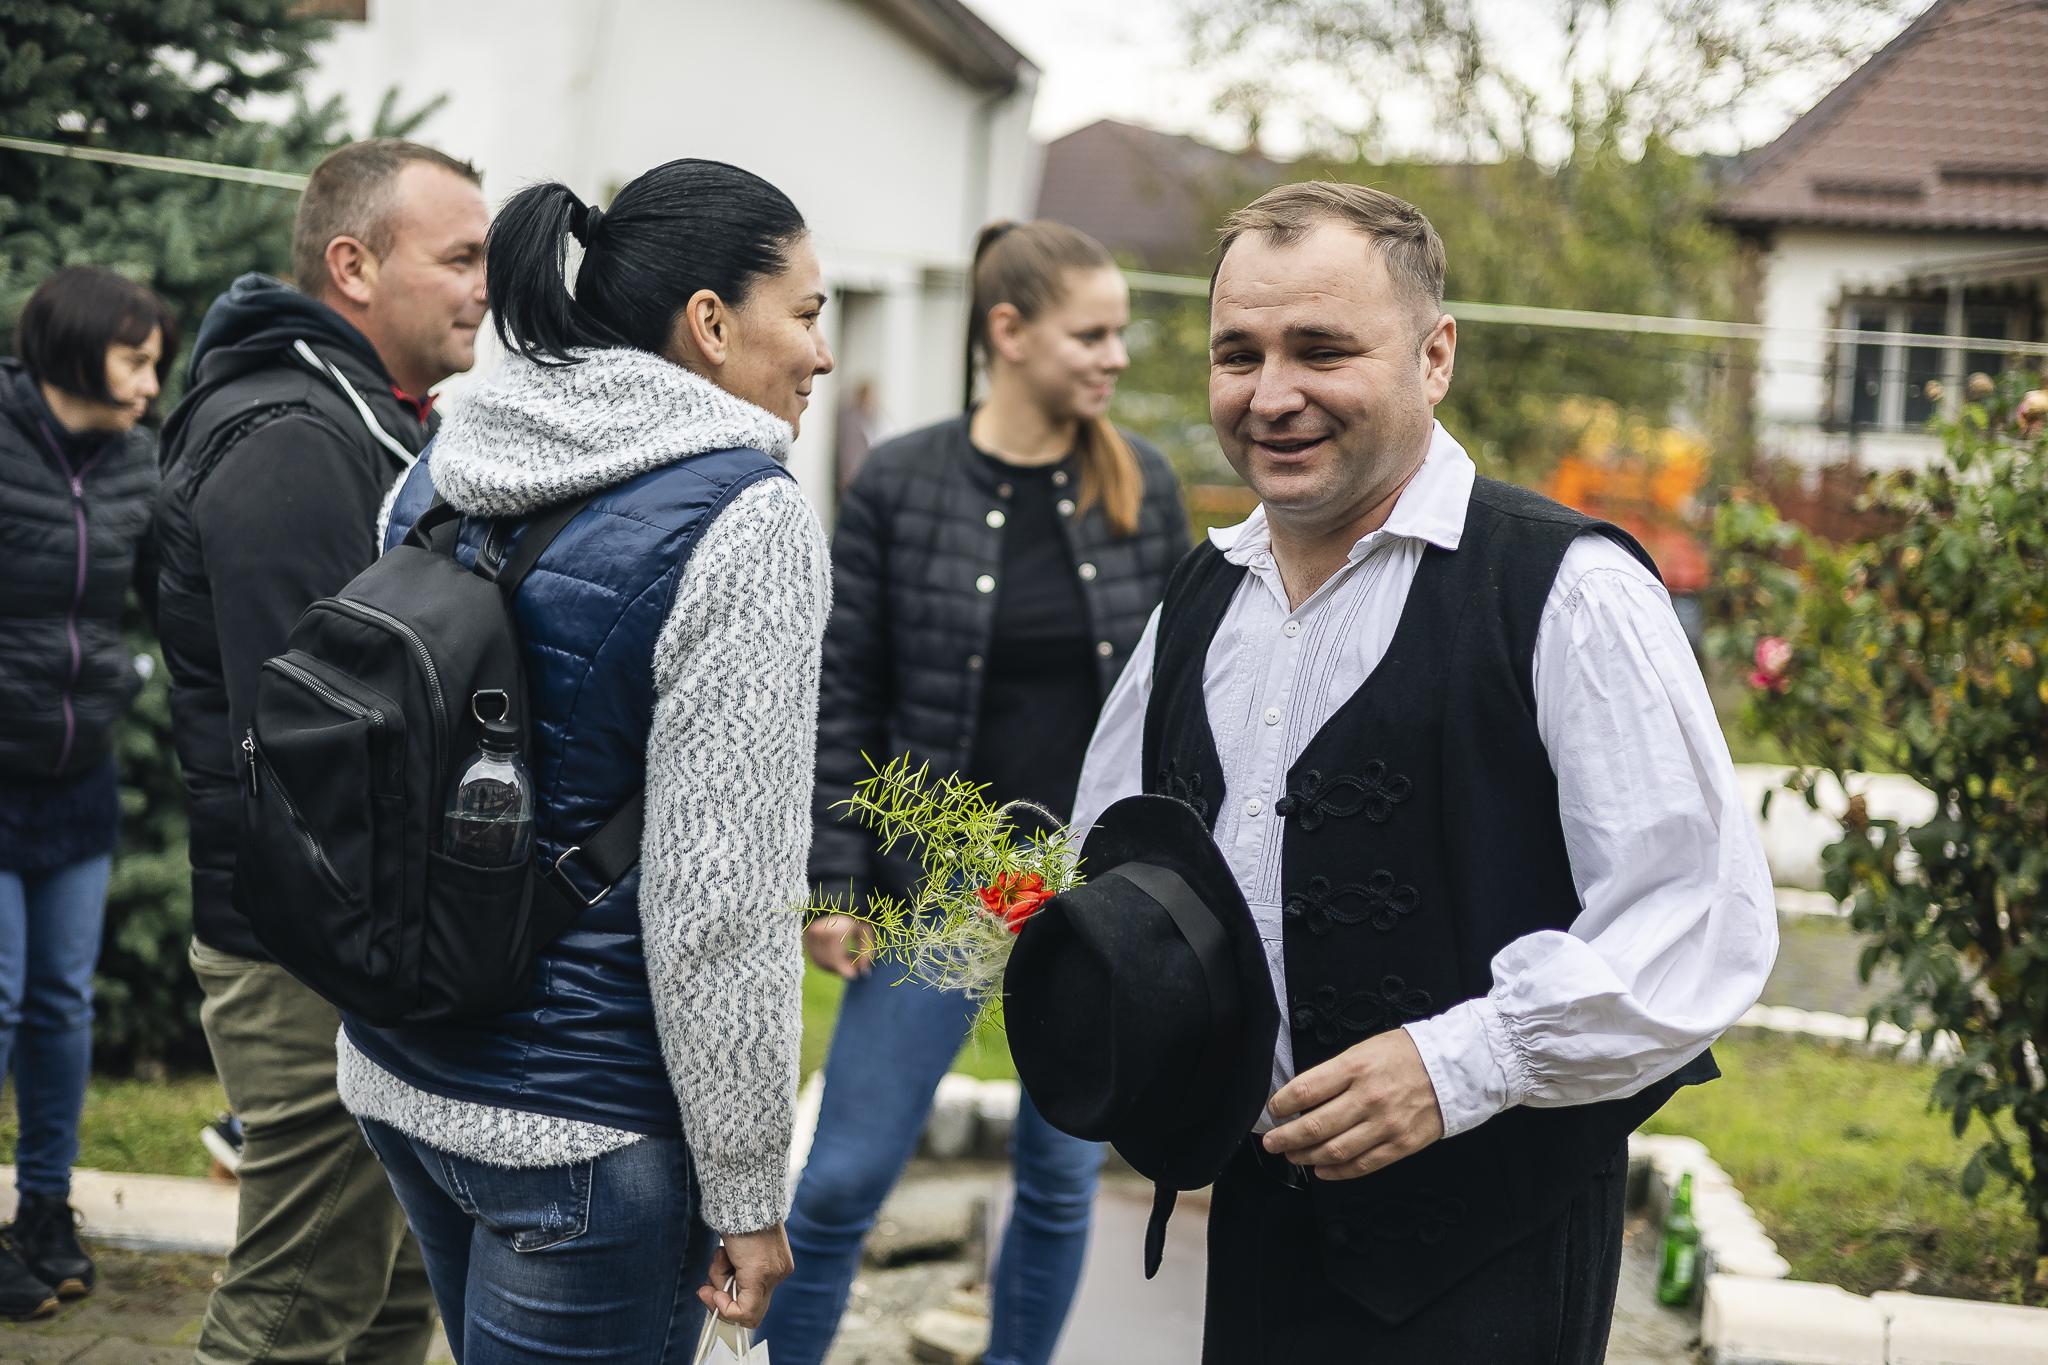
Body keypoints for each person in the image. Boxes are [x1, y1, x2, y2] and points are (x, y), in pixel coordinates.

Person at [1067, 182, 1778, 1361]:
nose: (1270, 394)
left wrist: (1460, 1065)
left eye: (1321, 350)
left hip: (1484, 1255)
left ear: (1433, 355)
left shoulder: (1564, 589)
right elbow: (1111, 857)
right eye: (1237, 354)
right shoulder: (1198, 598)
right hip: (1255, 1229)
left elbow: (1696, 914)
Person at [339, 157, 831, 1361]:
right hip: (585, 1135)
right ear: (711, 323)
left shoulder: (445, 463)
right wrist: (747, 1192)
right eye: (807, 313)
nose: (821, 355)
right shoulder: (747, 521)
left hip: (400, 1069)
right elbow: (722, 902)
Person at [763, 220, 1191, 1365]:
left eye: (1117, 334)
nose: (1114, 357)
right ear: (1008, 331)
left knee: (1059, 1176)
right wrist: (835, 880)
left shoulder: (1141, 485)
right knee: (841, 1179)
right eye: (1090, 335)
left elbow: (1178, 698)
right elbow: (845, 694)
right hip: (942, 881)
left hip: (1086, 890)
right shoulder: (902, 483)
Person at [156, 138, 487, 1365]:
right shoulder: (291, 439)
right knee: (298, 1305)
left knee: (393, 1294)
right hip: (310, 950)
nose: (486, 289)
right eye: (460, 259)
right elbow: (314, 743)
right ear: (354, 266)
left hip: (363, 936)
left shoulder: (364, 419)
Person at [0, 266, 177, 1319]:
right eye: (135, 360)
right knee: (1, 994)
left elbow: (168, 597)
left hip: (78, 772)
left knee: (63, 1000)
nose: (152, 383)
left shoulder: (136, 461)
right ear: (75, 350)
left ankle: (44, 1209)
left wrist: (131, 676)